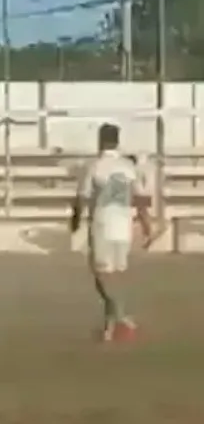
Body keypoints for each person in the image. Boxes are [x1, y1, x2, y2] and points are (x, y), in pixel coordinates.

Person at [70, 123, 154, 342]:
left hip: (102, 225)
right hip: (124, 226)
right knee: (116, 274)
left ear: (100, 140)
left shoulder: (95, 166)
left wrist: (75, 221)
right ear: (117, 141)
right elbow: (140, 200)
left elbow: (82, 197)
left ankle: (120, 315)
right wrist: (146, 226)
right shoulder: (128, 167)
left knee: (100, 275)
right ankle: (110, 326)